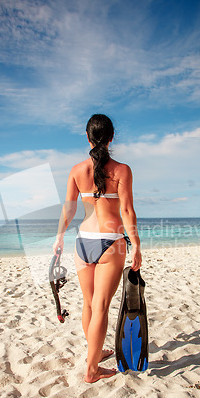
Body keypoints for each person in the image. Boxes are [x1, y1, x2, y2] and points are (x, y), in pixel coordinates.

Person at [53, 114, 141, 383]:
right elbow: (126, 210)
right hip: (109, 243)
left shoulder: (77, 170)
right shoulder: (122, 170)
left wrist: (59, 238)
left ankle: (96, 351)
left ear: (87, 137)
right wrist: (136, 243)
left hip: (83, 242)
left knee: (89, 304)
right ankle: (92, 370)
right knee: (101, 307)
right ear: (112, 137)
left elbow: (68, 210)